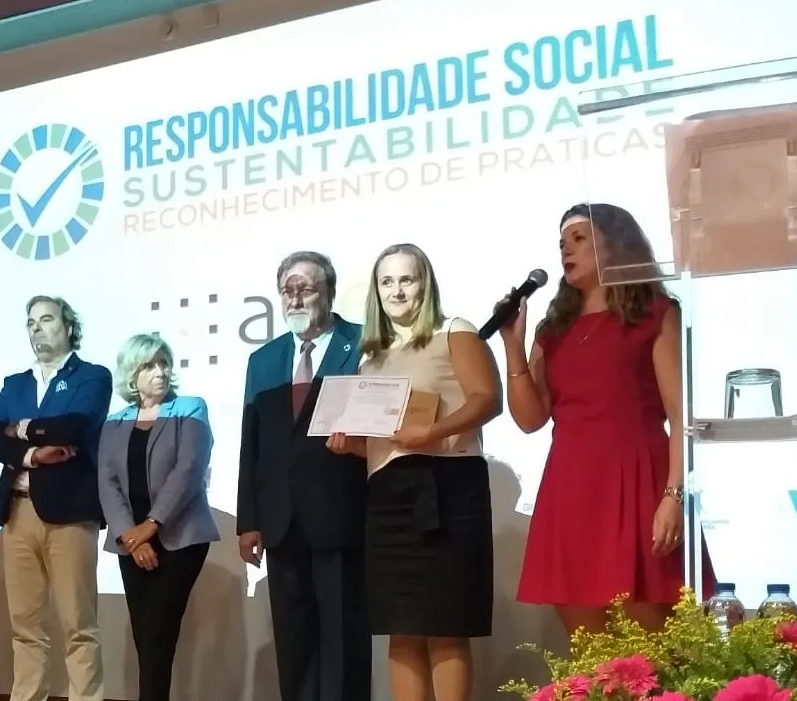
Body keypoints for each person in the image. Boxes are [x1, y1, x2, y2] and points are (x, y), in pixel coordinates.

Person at [502, 203, 716, 635]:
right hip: (570, 486)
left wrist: (674, 496)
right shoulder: (553, 329)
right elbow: (529, 419)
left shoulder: (655, 313)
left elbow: (680, 414)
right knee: (587, 643)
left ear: (615, 246)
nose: (566, 250)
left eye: (579, 238)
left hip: (637, 480)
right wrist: (512, 345)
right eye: (562, 243)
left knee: (651, 634)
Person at [325, 244, 500, 701]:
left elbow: (487, 399)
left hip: (448, 488)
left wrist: (434, 431)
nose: (397, 290)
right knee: (399, 626)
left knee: (445, 624)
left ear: (425, 283)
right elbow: (386, 443)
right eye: (387, 282)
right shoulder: (371, 358)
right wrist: (350, 446)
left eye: (407, 279)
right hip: (388, 495)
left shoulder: (454, 330)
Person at [237, 251, 370, 701]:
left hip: (341, 514)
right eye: (287, 290)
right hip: (280, 520)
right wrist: (248, 520)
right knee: (293, 644)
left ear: (329, 292)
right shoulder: (263, 359)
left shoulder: (363, 342)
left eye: (306, 288)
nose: (295, 298)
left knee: (344, 642)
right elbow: (252, 442)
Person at [0, 295, 111, 701]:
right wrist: (34, 453)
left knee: (78, 625)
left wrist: (18, 429)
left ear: (68, 326)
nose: (37, 329)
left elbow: (74, 428)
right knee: (26, 626)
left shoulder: (92, 376)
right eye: (31, 323)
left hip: (70, 513)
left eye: (47, 319)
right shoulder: (15, 383)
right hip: (18, 512)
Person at [96, 332, 218, 701]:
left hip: (180, 538)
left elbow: (189, 470)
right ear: (132, 374)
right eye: (150, 365)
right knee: (144, 636)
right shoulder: (114, 421)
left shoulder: (190, 409)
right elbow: (107, 481)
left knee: (157, 636)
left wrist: (149, 527)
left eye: (164, 363)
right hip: (130, 543)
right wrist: (130, 536)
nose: (161, 372)